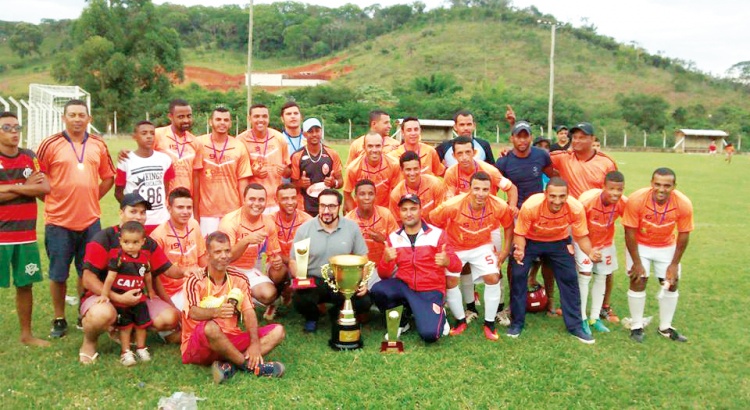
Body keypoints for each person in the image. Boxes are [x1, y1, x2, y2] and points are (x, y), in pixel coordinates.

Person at [36, 99, 116, 338]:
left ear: (89, 119)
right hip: (58, 222)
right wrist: (53, 202)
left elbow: (109, 177)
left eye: (82, 115)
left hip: (90, 221)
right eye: (72, 115)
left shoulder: (98, 145)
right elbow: (37, 179)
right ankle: (59, 318)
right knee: (58, 273)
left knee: (88, 271)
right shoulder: (50, 144)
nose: (77, 119)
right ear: (64, 118)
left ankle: (83, 313)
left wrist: (92, 198)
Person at [78, 194, 185, 364]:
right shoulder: (104, 238)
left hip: (137, 298)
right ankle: (89, 343)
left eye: (142, 213)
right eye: (133, 211)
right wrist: (118, 297)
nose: (139, 216)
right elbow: (88, 279)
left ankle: (131, 334)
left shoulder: (146, 242)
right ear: (121, 213)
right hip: (103, 297)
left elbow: (168, 270)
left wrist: (190, 271)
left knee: (169, 318)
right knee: (101, 315)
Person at [182, 231, 286, 384]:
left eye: (227, 250)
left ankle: (229, 364)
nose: (224, 256)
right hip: (199, 344)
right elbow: (193, 312)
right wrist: (216, 312)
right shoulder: (195, 280)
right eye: (218, 252)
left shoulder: (240, 278)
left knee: (278, 331)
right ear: (208, 256)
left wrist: (255, 344)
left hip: (230, 339)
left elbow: (249, 312)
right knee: (210, 327)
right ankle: (248, 366)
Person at [509, 177, 600, 344]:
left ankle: (575, 326)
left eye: (561, 196)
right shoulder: (531, 206)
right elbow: (520, 233)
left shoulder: (575, 208)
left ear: (567, 195)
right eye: (552, 196)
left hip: (559, 241)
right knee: (518, 274)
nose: (557, 201)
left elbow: (581, 236)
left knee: (570, 279)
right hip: (531, 240)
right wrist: (520, 250)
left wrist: (590, 252)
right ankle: (516, 323)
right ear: (545, 194)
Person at [429, 172, 514, 341]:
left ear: (491, 190)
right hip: (455, 247)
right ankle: (460, 321)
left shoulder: (499, 206)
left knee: (493, 277)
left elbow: (509, 226)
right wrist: (442, 247)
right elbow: (433, 221)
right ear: (469, 188)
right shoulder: (452, 205)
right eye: (476, 189)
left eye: (485, 189)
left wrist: (504, 251)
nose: (480, 194)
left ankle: (489, 324)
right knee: (451, 281)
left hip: (481, 246)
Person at [549, 122, 620, 323]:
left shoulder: (606, 162)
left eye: (583, 137)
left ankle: (605, 306)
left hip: (599, 222)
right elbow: (539, 158)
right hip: (572, 221)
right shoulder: (563, 157)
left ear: (592, 139)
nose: (578, 141)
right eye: (575, 137)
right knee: (573, 266)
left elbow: (614, 190)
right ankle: (573, 305)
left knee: (604, 267)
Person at [372, 194, 462, 343]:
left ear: (421, 210)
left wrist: (447, 261)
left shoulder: (438, 234)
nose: (409, 213)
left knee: (429, 335)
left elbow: (457, 265)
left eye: (413, 209)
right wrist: (386, 260)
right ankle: (402, 321)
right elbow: (383, 274)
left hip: (430, 290)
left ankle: (440, 313)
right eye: (404, 209)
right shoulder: (393, 237)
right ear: (399, 213)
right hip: (405, 286)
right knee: (378, 290)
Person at [622, 168, 693, 343]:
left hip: (666, 246)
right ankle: (636, 326)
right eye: (658, 184)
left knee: (671, 284)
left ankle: (665, 327)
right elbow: (629, 232)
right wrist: (637, 262)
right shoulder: (637, 199)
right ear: (651, 183)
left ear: (674, 186)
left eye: (667, 186)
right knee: (638, 280)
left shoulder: (683, 203)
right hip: (640, 245)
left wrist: (674, 264)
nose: (661, 189)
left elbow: (684, 234)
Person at [0, 111, 51, 347]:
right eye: (7, 128)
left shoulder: (30, 156)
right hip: (2, 235)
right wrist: (24, 186)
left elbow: (45, 188)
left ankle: (26, 334)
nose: (14, 132)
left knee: (25, 284)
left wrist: (9, 189)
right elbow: (31, 188)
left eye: (16, 128)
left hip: (26, 234)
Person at [495, 121, 554, 323]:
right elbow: (494, 188)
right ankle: (513, 302)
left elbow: (553, 177)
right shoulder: (503, 162)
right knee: (515, 259)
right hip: (517, 217)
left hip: (541, 215)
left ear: (530, 137)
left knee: (547, 258)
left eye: (525, 136)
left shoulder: (541, 155)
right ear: (512, 138)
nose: (522, 140)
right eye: (518, 136)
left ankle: (551, 302)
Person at [289, 189, 371, 334]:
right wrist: (300, 278)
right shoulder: (305, 229)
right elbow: (294, 261)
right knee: (299, 297)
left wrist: (363, 282)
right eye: (322, 206)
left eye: (331, 206)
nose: (326, 211)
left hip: (342, 281)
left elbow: (363, 259)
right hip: (315, 280)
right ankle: (312, 317)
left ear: (339, 207)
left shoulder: (352, 228)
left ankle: (337, 313)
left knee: (364, 301)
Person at [576, 171, 627, 335]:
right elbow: (576, 226)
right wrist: (589, 250)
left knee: (602, 276)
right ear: (603, 187)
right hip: (583, 240)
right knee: (584, 275)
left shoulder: (623, 203)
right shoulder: (587, 201)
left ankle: (594, 317)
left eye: (619, 190)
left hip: (605, 242)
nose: (616, 193)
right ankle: (582, 317)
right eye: (611, 189)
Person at [98, 221, 154, 366]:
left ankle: (141, 348)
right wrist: (104, 294)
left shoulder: (144, 258)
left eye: (135, 242)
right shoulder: (118, 258)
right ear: (120, 241)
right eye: (126, 242)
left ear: (142, 242)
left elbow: (147, 276)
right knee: (126, 326)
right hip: (121, 301)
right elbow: (110, 278)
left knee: (141, 325)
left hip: (139, 299)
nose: (130, 246)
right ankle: (126, 351)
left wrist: (150, 291)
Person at [218, 184, 284, 308]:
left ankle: (243, 297)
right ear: (243, 200)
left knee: (269, 294)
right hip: (227, 270)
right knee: (227, 303)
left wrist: (276, 260)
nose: (257, 203)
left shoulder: (268, 222)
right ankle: (234, 295)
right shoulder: (229, 221)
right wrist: (246, 240)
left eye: (261, 200)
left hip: (250, 270)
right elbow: (226, 258)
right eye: (252, 199)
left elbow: (274, 253)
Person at [192, 107, 253, 235]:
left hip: (232, 211)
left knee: (231, 250)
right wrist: (195, 212)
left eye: (226, 120)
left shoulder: (239, 146)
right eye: (218, 119)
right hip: (206, 212)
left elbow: (243, 183)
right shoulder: (199, 143)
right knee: (209, 251)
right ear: (210, 122)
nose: (222, 123)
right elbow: (195, 180)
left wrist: (243, 212)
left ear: (230, 123)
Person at [149, 187, 207, 312]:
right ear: (169, 209)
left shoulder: (194, 225)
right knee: (198, 314)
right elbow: (156, 278)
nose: (185, 212)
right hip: (173, 292)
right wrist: (170, 305)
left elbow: (202, 258)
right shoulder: (158, 236)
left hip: (196, 283)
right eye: (180, 207)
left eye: (189, 207)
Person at [115, 121, 175, 233]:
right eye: (144, 133)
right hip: (137, 221)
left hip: (160, 219)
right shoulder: (126, 160)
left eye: (152, 133)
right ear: (135, 137)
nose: (149, 136)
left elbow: (166, 188)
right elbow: (118, 192)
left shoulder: (164, 159)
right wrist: (134, 210)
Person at [237, 104, 291, 214]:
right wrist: (252, 172)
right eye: (256, 116)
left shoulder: (279, 138)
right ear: (249, 118)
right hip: (253, 202)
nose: (261, 120)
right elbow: (236, 173)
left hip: (276, 201)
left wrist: (285, 171)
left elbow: (289, 172)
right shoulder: (241, 140)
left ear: (268, 118)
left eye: (264, 116)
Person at [344, 179, 398, 290]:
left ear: (375, 197)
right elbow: (344, 254)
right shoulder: (348, 221)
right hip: (363, 268)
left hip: (386, 263)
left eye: (370, 194)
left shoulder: (386, 214)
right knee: (375, 288)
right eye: (362, 194)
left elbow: (398, 244)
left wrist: (383, 240)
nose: (367, 198)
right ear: (355, 197)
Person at [290, 118, 343, 217]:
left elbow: (340, 181)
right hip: (305, 207)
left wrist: (333, 183)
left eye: (317, 131)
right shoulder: (297, 156)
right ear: (304, 134)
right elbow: (292, 185)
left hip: (327, 205)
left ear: (321, 132)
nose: (314, 134)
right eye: (310, 131)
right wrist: (300, 183)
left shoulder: (332, 153)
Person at [443, 136, 517, 206]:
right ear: (454, 156)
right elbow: (449, 201)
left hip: (487, 214)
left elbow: (511, 188)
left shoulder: (489, 170)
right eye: (460, 153)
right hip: (462, 215)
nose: (464, 157)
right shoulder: (451, 173)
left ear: (474, 153)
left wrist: (512, 207)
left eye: (468, 152)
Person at [343, 132, 402, 213]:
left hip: (385, 212)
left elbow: (398, 193)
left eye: (378, 146)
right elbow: (347, 192)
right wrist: (354, 216)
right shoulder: (353, 168)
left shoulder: (394, 164)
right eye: (370, 146)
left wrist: (391, 215)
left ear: (382, 146)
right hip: (362, 213)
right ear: (364, 147)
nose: (374, 150)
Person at [389, 151, 447, 224]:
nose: (412, 173)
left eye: (415, 169)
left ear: (420, 168)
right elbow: (398, 223)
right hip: (411, 232)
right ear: (401, 170)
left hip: (436, 229)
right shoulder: (396, 194)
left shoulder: (435, 184)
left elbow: (443, 212)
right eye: (408, 169)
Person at [154, 99, 197, 195]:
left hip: (185, 201)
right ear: (170, 117)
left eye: (189, 116)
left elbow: (196, 177)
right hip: (161, 199)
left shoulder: (195, 142)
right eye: (181, 117)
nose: (186, 120)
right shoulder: (157, 135)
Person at [279, 101, 306, 168]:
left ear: (301, 117)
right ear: (282, 119)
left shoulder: (310, 139)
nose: (293, 116)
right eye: (288, 114)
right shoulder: (278, 141)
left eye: (296, 113)